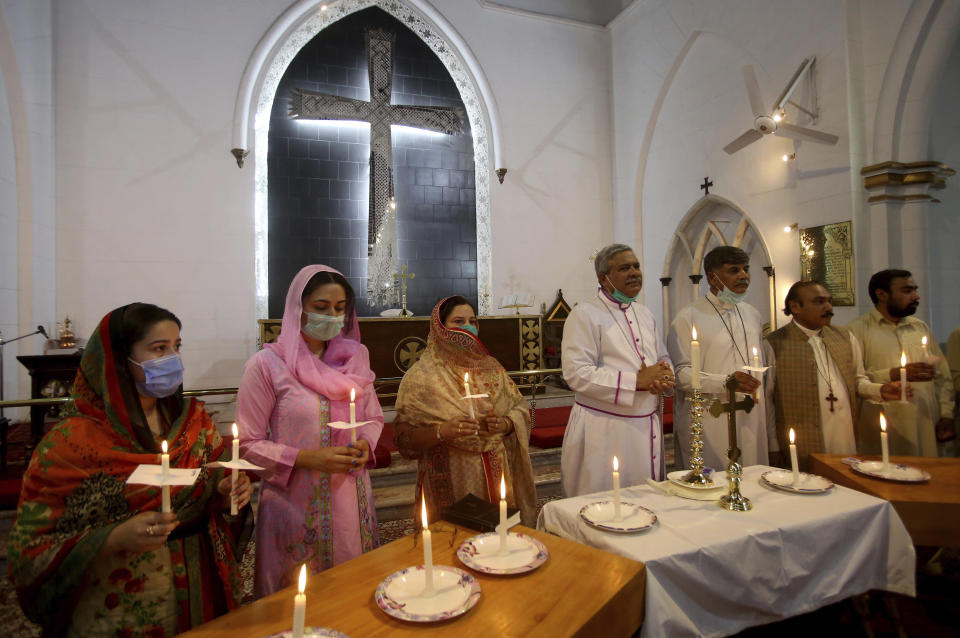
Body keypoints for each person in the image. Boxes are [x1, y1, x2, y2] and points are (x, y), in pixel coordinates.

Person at [8, 303, 253, 636]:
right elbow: (32, 549)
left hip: (201, 587)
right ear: (120, 358)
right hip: (118, 604)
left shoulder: (193, 423)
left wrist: (227, 494)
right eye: (158, 348)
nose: (173, 358)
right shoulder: (69, 444)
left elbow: (212, 488)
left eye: (176, 346)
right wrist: (112, 538)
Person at [236, 265, 382, 598]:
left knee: (351, 597)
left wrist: (365, 444)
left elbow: (373, 417)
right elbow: (246, 443)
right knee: (297, 606)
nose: (333, 315)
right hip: (295, 502)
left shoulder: (356, 358)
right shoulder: (267, 365)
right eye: (321, 307)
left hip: (350, 495)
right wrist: (306, 458)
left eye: (340, 307)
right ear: (297, 308)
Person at [394, 296, 537, 526]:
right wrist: (442, 431)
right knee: (452, 546)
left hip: (496, 470)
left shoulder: (491, 367)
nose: (467, 327)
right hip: (450, 474)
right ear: (440, 328)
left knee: (499, 544)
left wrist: (505, 424)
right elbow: (403, 439)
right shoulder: (421, 376)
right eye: (458, 322)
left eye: (472, 321)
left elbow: (521, 408)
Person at [561, 244, 674, 496]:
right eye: (625, 268)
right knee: (602, 506)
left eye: (637, 266)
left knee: (647, 502)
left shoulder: (645, 314)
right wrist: (636, 381)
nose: (635, 272)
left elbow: (663, 357)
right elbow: (576, 373)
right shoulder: (584, 314)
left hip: (646, 426)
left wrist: (664, 377)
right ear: (604, 278)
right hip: (604, 429)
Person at [766, 281, 904, 469]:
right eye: (819, 302)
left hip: (843, 436)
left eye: (829, 302)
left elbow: (857, 380)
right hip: (801, 442)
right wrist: (772, 447)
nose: (829, 308)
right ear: (795, 307)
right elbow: (768, 401)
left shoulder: (845, 337)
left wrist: (881, 390)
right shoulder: (774, 344)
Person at [668, 245, 773, 470]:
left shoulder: (752, 314)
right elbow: (680, 374)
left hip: (751, 415)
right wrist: (725, 382)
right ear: (713, 278)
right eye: (734, 270)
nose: (744, 276)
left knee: (753, 482)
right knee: (712, 486)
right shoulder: (688, 317)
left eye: (746, 269)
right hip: (709, 416)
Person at [847, 269, 955, 456]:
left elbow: (942, 376)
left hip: (926, 423)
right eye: (907, 291)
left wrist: (946, 414)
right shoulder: (856, 330)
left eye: (915, 289)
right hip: (885, 427)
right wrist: (893, 374)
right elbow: (852, 381)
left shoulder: (919, 327)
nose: (916, 296)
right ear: (881, 294)